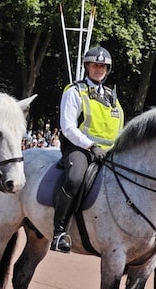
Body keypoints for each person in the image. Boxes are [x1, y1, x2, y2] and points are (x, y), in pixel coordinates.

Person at [51, 46, 124, 253]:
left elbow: (119, 129)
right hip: (80, 149)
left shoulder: (113, 97)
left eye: (103, 66)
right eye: (95, 65)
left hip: (108, 152)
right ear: (87, 67)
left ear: (107, 70)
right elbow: (68, 127)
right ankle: (59, 232)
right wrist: (91, 146)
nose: (99, 69)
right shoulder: (74, 91)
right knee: (75, 179)